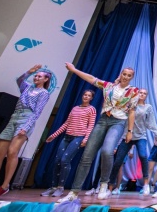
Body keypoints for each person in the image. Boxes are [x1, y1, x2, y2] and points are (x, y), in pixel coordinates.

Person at [56, 63, 139, 203]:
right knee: (87, 156)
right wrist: (74, 70)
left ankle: (104, 185)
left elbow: (132, 112)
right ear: (120, 74)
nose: (125, 77)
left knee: (107, 151)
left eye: (129, 75)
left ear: (132, 78)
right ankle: (74, 192)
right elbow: (91, 79)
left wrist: (130, 131)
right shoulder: (109, 86)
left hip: (118, 122)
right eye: (124, 74)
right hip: (103, 120)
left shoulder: (133, 91)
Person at [0, 65, 51, 200]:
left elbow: (37, 112)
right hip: (14, 118)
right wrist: (29, 72)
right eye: (36, 75)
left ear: (46, 79)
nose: (36, 77)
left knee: (12, 152)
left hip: (26, 119)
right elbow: (19, 80)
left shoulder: (44, 93)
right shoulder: (27, 88)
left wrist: (26, 127)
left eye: (39, 76)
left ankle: (5, 186)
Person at [41, 89, 97, 198]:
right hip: (67, 137)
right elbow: (67, 123)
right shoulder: (75, 108)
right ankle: (53, 187)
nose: (86, 97)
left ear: (91, 98)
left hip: (78, 137)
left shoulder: (92, 109)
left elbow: (90, 126)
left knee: (65, 160)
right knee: (57, 161)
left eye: (88, 95)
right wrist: (54, 135)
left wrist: (85, 139)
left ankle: (60, 187)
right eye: (85, 94)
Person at [108, 88, 157, 196]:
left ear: (146, 96)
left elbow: (150, 123)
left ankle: (146, 184)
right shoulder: (129, 104)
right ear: (137, 94)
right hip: (127, 136)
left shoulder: (148, 107)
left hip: (141, 136)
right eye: (140, 92)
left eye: (144, 93)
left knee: (143, 156)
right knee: (118, 161)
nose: (142, 94)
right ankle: (110, 188)